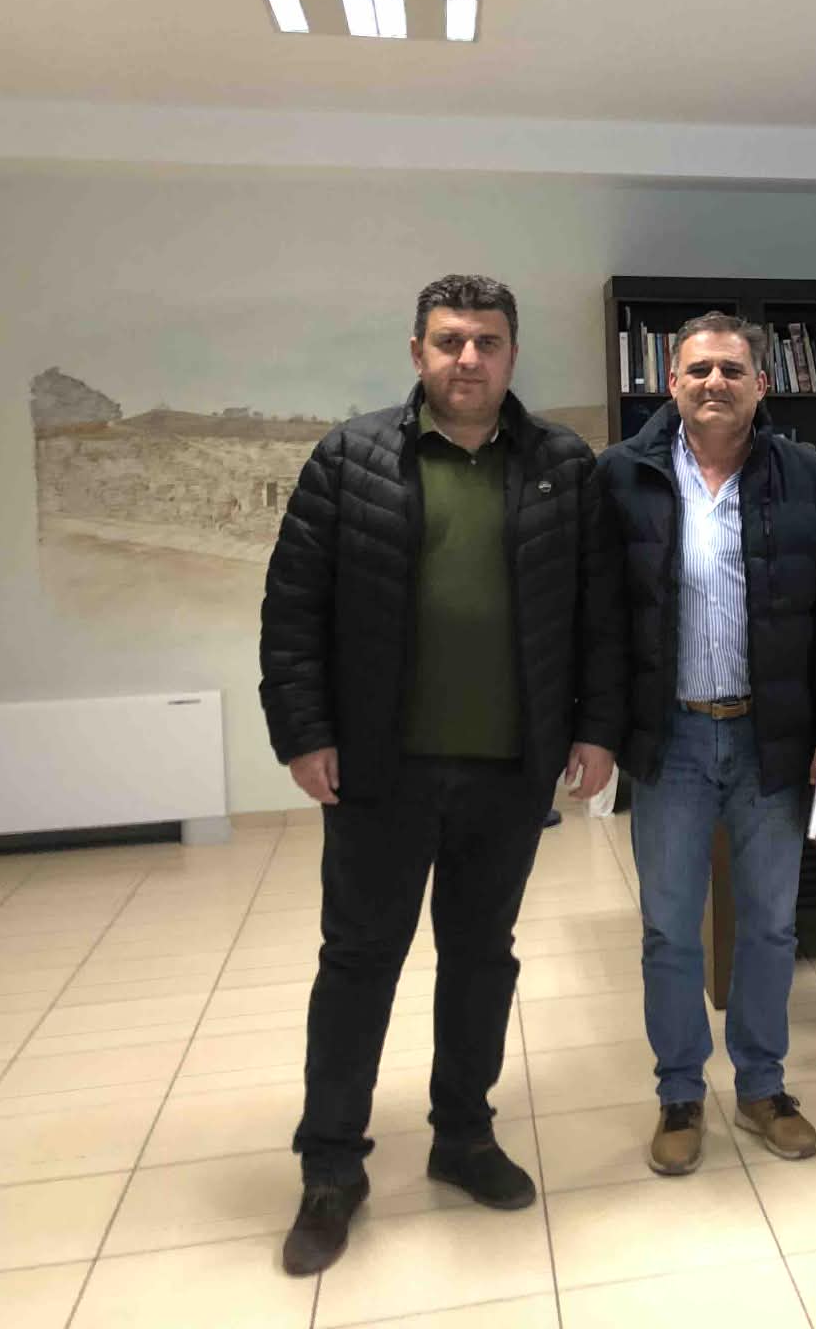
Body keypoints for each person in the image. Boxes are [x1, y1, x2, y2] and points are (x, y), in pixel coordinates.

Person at [259, 273, 626, 1275]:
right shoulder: (350, 459)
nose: (469, 359)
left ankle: (463, 1135)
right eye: (451, 341)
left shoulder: (561, 465)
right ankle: (331, 1165)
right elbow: (293, 609)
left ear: (512, 354)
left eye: (488, 342)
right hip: (381, 770)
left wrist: (597, 731)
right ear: (416, 351)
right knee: (358, 962)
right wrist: (303, 732)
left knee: (480, 959)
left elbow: (598, 615)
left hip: (509, 770)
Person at [596, 313, 816, 1177]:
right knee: (670, 931)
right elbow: (598, 618)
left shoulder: (811, 478)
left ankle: (762, 1086)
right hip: (671, 738)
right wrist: (595, 734)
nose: (714, 382)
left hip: (772, 740)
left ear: (762, 383)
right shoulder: (621, 476)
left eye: (731, 369)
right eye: (698, 369)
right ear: (670, 382)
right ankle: (680, 1092)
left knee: (770, 927)